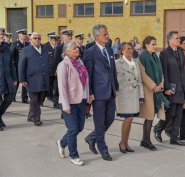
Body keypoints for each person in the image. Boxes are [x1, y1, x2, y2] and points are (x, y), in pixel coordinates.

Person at [83, 24, 119, 161]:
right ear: (97, 37)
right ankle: (103, 149)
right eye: (105, 34)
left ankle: (91, 138)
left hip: (110, 91)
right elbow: (89, 75)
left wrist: (115, 87)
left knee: (110, 118)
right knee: (99, 123)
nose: (107, 36)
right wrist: (90, 93)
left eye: (107, 33)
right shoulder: (90, 52)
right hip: (97, 94)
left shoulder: (109, 50)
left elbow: (113, 70)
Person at [56, 40, 91, 166]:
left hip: (81, 100)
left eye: (77, 47)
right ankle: (74, 155)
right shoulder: (63, 65)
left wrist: (88, 96)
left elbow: (86, 81)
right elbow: (62, 87)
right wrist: (65, 105)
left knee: (80, 127)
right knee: (72, 128)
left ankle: (62, 142)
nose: (77, 49)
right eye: (74, 48)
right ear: (66, 51)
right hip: (69, 102)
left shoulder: (80, 62)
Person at [138, 35, 168, 150]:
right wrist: (153, 86)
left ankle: (144, 140)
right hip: (148, 91)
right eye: (153, 44)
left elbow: (160, 73)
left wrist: (161, 84)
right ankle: (147, 140)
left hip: (156, 90)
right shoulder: (143, 57)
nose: (155, 46)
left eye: (155, 44)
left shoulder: (155, 56)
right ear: (146, 45)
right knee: (149, 116)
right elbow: (143, 74)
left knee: (150, 116)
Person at [159, 31, 185, 146]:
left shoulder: (181, 52)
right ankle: (158, 128)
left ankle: (174, 138)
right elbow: (164, 72)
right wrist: (166, 88)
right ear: (169, 40)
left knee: (179, 115)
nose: (178, 40)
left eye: (178, 38)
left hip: (181, 88)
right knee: (171, 113)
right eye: (176, 38)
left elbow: (183, 71)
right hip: (171, 88)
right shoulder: (164, 53)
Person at [115, 42, 144, 153]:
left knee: (130, 119)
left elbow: (139, 80)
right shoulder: (117, 63)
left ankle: (125, 142)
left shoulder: (135, 63)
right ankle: (122, 142)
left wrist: (141, 96)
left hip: (134, 94)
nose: (130, 51)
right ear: (122, 51)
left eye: (131, 49)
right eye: (127, 49)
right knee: (128, 119)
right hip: (124, 94)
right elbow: (116, 81)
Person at [18, 32, 49, 126]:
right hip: (31, 80)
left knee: (40, 99)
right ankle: (37, 119)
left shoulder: (45, 49)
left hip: (43, 79)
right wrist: (22, 79)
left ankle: (31, 116)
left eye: (39, 38)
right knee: (34, 100)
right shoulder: (25, 50)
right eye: (35, 38)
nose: (37, 40)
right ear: (30, 39)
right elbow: (21, 66)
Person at [0, 28, 17, 131]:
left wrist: (14, 78)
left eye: (2, 34)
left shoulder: (7, 47)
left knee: (10, 97)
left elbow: (11, 64)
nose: (1, 36)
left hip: (7, 78)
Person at [10, 29, 30, 103]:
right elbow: (11, 57)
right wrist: (13, 67)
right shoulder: (15, 44)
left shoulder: (28, 44)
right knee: (16, 83)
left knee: (25, 82)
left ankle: (24, 98)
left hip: (26, 67)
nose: (24, 35)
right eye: (23, 34)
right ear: (19, 35)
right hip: (17, 67)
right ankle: (12, 97)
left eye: (25, 34)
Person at [43, 34, 60, 108]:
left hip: (57, 72)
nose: (56, 42)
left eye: (57, 40)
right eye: (54, 40)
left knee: (56, 88)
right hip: (49, 71)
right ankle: (41, 101)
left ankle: (56, 103)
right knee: (47, 88)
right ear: (50, 40)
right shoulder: (45, 47)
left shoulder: (59, 48)